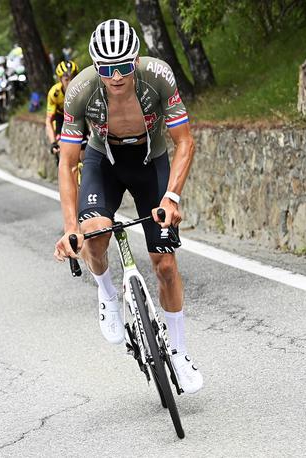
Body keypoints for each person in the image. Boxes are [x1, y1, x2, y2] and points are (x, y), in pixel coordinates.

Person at [53, 19, 202, 394]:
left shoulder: (159, 76)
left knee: (165, 264)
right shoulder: (80, 90)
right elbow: (67, 159)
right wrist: (71, 225)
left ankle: (180, 354)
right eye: (106, 69)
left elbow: (184, 141)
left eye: (122, 67)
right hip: (103, 163)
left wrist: (172, 197)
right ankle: (105, 292)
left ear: (135, 60)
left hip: (151, 162)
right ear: (95, 66)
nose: (115, 77)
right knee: (94, 237)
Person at [45, 60, 79, 165]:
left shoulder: (83, 89)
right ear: (60, 80)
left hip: (78, 117)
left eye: (73, 78)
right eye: (66, 79)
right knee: (63, 150)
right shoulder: (54, 94)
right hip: (62, 120)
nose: (70, 82)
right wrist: (53, 143)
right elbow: (49, 121)